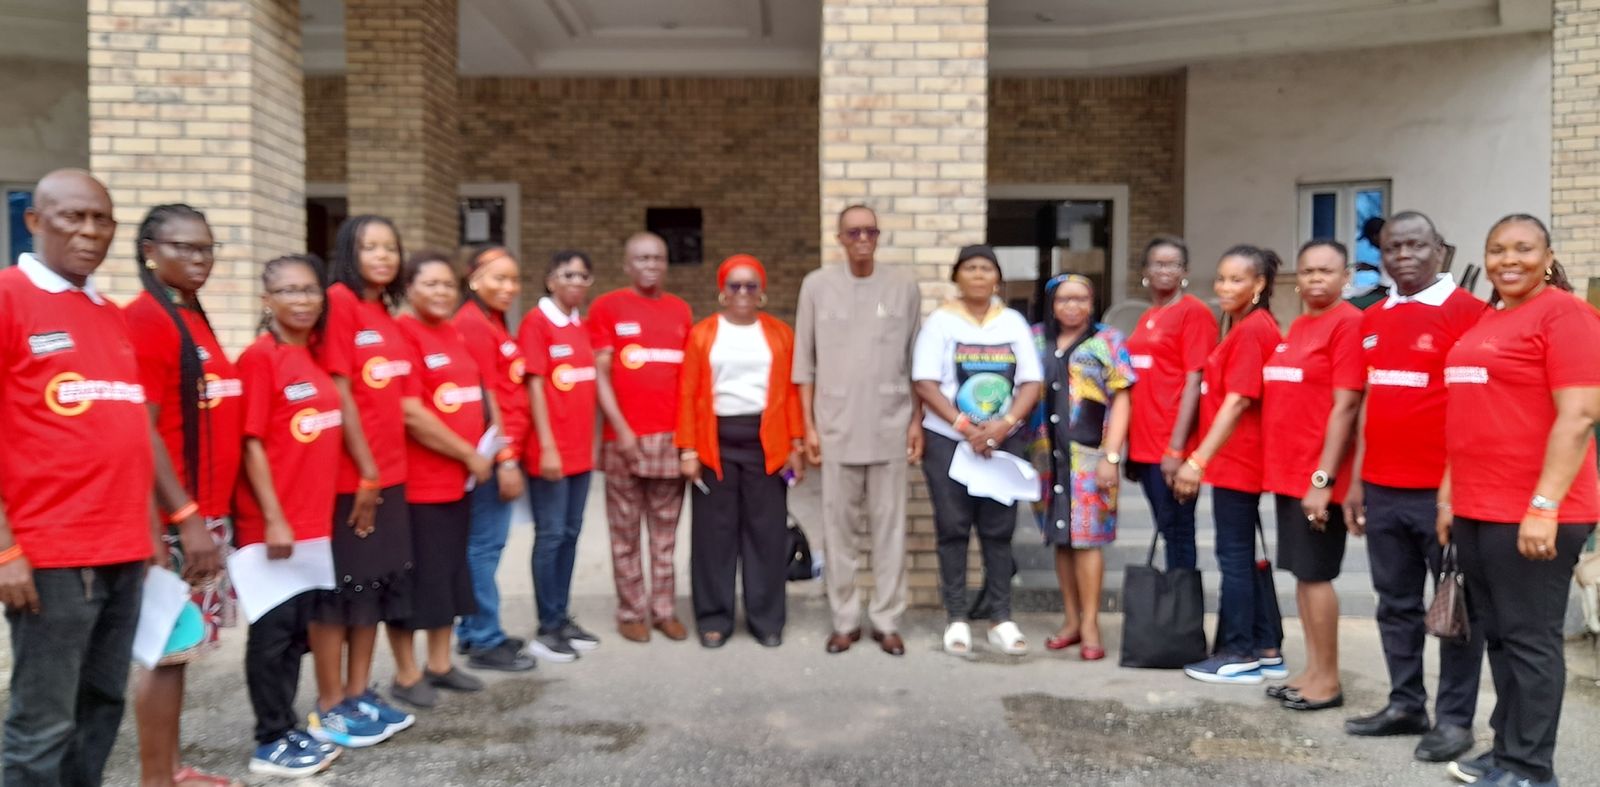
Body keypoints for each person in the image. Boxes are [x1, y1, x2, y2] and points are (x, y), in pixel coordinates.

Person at [0, 169, 215, 785]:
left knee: (101, 706)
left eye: (101, 219)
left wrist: (171, 520)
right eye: (73, 216)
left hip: (123, 550)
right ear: (36, 222)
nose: (90, 231)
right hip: (52, 556)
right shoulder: (10, 296)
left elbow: (133, 431)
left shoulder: (106, 313)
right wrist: (6, 547)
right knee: (42, 723)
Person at [1440, 215, 1600, 787]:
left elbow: (1580, 414)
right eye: (1497, 250)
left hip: (1535, 509)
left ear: (1548, 254)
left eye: (1523, 249)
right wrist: (1448, 496)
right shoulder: (1493, 317)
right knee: (1501, 635)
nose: (1509, 260)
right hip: (1479, 507)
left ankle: (1531, 767)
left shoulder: (1567, 314)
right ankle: (1507, 750)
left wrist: (1543, 505)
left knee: (1531, 639)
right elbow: (1469, 415)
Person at [1341, 211, 1486, 764]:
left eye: (1415, 245)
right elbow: (1367, 402)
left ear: (1440, 251)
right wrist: (1354, 480)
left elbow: (1476, 405)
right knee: (1394, 604)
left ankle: (1453, 721)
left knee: (1453, 610)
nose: (1402, 254)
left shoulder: (1469, 314)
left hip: (1443, 496)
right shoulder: (1370, 317)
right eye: (1392, 246)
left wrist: (1453, 492)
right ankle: (1406, 704)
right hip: (1381, 489)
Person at [123, 204, 246, 787]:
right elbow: (142, 431)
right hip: (173, 519)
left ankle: (171, 769)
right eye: (185, 248)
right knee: (163, 651)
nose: (200, 259)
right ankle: (156, 779)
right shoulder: (146, 319)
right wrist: (186, 520)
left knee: (181, 650)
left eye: (207, 248)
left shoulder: (188, 315)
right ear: (150, 250)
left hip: (204, 512)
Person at [235, 254, 355, 775]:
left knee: (295, 636)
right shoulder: (261, 359)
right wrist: (274, 518)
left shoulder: (311, 356)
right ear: (267, 300)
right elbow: (251, 442)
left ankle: (286, 728)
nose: (302, 300)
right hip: (274, 526)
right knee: (273, 635)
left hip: (312, 526)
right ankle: (269, 739)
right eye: (288, 291)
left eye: (310, 290)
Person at [793, 204, 923, 657]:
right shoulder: (816, 285)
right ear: (840, 237)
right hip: (835, 428)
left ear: (879, 236)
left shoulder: (904, 286)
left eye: (869, 231)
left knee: (890, 532)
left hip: (889, 426)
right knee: (839, 530)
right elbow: (803, 364)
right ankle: (845, 620)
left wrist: (916, 421)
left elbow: (916, 362)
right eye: (853, 232)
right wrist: (807, 426)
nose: (862, 238)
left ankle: (887, 620)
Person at [310, 215, 417, 745]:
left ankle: (358, 692)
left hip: (391, 474)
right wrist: (367, 472)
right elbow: (340, 390)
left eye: (390, 247)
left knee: (372, 589)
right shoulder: (340, 303)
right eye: (370, 246)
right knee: (339, 593)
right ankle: (329, 703)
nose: (381, 255)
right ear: (349, 251)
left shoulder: (385, 311)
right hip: (352, 477)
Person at [912, 244, 1042, 658]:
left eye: (987, 268)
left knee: (998, 531)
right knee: (952, 529)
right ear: (957, 276)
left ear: (997, 278)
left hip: (1001, 443)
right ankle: (956, 618)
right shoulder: (941, 323)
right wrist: (965, 427)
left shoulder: (1013, 322)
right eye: (970, 268)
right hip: (949, 441)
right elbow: (925, 382)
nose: (979, 275)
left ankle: (1001, 618)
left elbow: (1031, 382)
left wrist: (1003, 426)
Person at [677, 254, 805, 649]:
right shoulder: (703, 334)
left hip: (767, 443)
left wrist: (796, 443)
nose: (743, 293)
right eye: (735, 285)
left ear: (762, 292)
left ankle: (766, 618)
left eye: (751, 285)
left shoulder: (781, 334)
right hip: (715, 441)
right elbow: (687, 393)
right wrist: (687, 448)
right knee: (714, 536)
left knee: (765, 534)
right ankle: (714, 616)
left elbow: (792, 393)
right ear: (722, 291)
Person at [1259, 240, 1364, 711]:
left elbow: (1347, 406)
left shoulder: (1348, 325)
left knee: (1317, 575)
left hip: (1318, 480)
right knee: (1302, 575)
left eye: (1325, 271)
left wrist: (1322, 481)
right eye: (1306, 271)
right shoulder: (1300, 325)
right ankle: (1313, 670)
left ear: (1347, 277)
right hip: (1288, 475)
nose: (1315, 279)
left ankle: (1329, 681)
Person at [1173, 244, 1285, 685]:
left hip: (1239, 460)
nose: (1224, 287)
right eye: (1220, 278)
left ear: (1258, 285)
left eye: (1237, 279)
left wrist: (1197, 461)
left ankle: (1238, 652)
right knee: (1247, 555)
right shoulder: (1246, 325)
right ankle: (1267, 646)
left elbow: (1238, 401)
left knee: (1234, 557)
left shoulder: (1253, 330)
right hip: (1237, 459)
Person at [388, 252, 493, 707]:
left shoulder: (451, 332)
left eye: (449, 284)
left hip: (458, 483)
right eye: (430, 283)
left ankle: (440, 663)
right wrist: (469, 453)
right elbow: (411, 414)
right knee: (414, 583)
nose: (442, 292)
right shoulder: (401, 335)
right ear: (408, 287)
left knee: (448, 577)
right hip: (421, 485)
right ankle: (406, 674)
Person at [590, 232, 693, 643]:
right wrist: (622, 429)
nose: (650, 265)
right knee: (625, 532)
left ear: (666, 264)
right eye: (642, 258)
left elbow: (688, 382)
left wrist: (687, 439)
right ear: (627, 264)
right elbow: (600, 374)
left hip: (670, 440)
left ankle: (664, 611)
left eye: (658, 258)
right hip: (624, 440)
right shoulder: (607, 307)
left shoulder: (680, 311)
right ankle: (631, 611)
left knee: (665, 536)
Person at [1034, 274, 1134, 660]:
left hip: (1089, 458)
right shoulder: (1035, 337)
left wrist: (1112, 455)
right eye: (1064, 300)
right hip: (1047, 457)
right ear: (1051, 303)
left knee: (1088, 541)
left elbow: (1123, 397)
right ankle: (1071, 620)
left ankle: (1091, 623)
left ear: (1092, 303)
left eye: (1081, 299)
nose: (1072, 307)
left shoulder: (1107, 340)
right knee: (1061, 539)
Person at [451, 246, 535, 672]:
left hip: (502, 450)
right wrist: (505, 458)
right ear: (473, 279)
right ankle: (485, 638)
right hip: (492, 454)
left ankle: (471, 630)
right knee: (483, 548)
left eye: (513, 280)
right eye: (498, 278)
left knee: (482, 546)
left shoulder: (491, 321)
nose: (509, 287)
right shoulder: (473, 324)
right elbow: (488, 395)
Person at [519, 250, 601, 663]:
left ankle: (561, 616)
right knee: (550, 537)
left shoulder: (578, 326)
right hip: (550, 453)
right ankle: (546, 628)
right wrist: (548, 444)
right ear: (550, 280)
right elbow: (534, 386)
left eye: (584, 276)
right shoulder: (536, 324)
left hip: (580, 454)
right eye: (568, 274)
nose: (576, 281)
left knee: (570, 534)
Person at [1124, 235, 1216, 572]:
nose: (1165, 270)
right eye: (1158, 263)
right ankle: (1173, 615)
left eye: (1173, 264)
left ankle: (1183, 619)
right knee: (1167, 530)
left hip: (1171, 445)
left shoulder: (1194, 312)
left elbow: (1195, 380)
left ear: (1185, 271)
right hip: (1145, 445)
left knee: (1178, 533)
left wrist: (1177, 450)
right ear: (1145, 270)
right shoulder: (1149, 315)